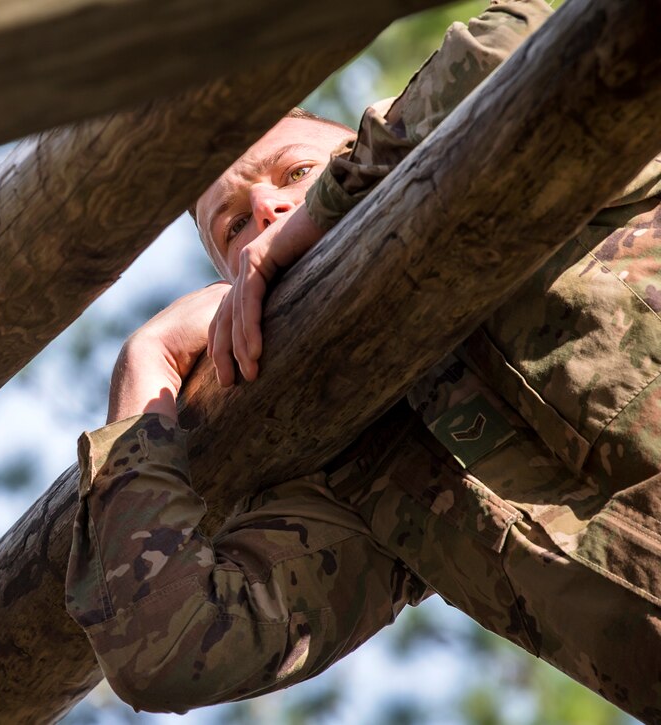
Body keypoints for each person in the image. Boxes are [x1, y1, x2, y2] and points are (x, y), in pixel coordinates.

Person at [65, 0, 661, 720]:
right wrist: (147, 360)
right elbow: (169, 653)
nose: (266, 209)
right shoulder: (357, 477)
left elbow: (525, 36)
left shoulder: (552, 168)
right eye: (233, 226)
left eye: (296, 171)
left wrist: (331, 206)